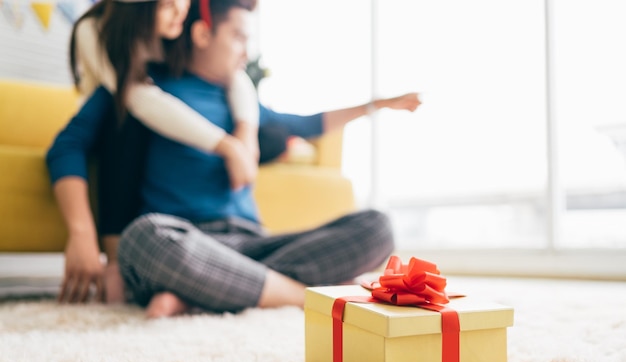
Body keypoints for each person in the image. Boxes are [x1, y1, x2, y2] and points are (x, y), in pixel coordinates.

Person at [47, 0, 421, 317]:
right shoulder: (141, 87)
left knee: (377, 226)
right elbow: (67, 146)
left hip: (251, 243)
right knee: (143, 238)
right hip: (185, 239)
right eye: (238, 37)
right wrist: (82, 234)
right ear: (202, 34)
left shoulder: (244, 105)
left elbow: (307, 123)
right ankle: (295, 295)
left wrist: (378, 104)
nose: (246, 51)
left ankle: (201, 294)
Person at [58, 0, 260, 304]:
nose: (181, 10)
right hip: (113, 133)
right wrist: (83, 234)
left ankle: (189, 289)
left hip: (167, 133)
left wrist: (246, 133)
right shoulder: (97, 31)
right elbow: (138, 99)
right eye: (168, 4)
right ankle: (119, 259)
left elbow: (237, 76)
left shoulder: (174, 33)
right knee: (126, 116)